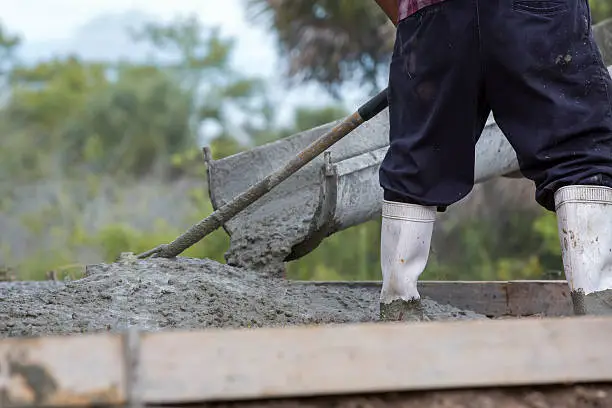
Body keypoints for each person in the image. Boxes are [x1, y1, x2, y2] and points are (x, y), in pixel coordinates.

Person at [373, 0, 612, 320]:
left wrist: (416, 18)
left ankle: (397, 308)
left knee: (417, 160)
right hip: (538, 10)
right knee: (579, 152)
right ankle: (599, 312)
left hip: (430, 14)